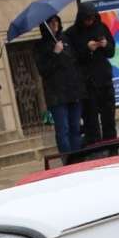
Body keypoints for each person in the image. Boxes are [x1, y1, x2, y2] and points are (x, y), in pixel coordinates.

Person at [70, 2, 117, 144]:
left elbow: (111, 52)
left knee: (109, 119)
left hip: (104, 81)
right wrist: (88, 49)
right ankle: (96, 150)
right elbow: (72, 58)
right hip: (87, 84)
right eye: (87, 19)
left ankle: (112, 149)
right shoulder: (72, 33)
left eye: (92, 18)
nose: (90, 22)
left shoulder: (101, 27)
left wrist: (105, 45)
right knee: (91, 122)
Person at [35, 17, 84, 154]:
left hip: (73, 91)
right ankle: (68, 160)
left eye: (56, 21)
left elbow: (74, 61)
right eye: (51, 22)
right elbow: (43, 70)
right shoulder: (40, 46)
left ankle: (78, 158)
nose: (55, 24)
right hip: (56, 95)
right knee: (63, 130)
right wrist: (55, 53)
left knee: (76, 128)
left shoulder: (65, 39)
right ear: (45, 25)